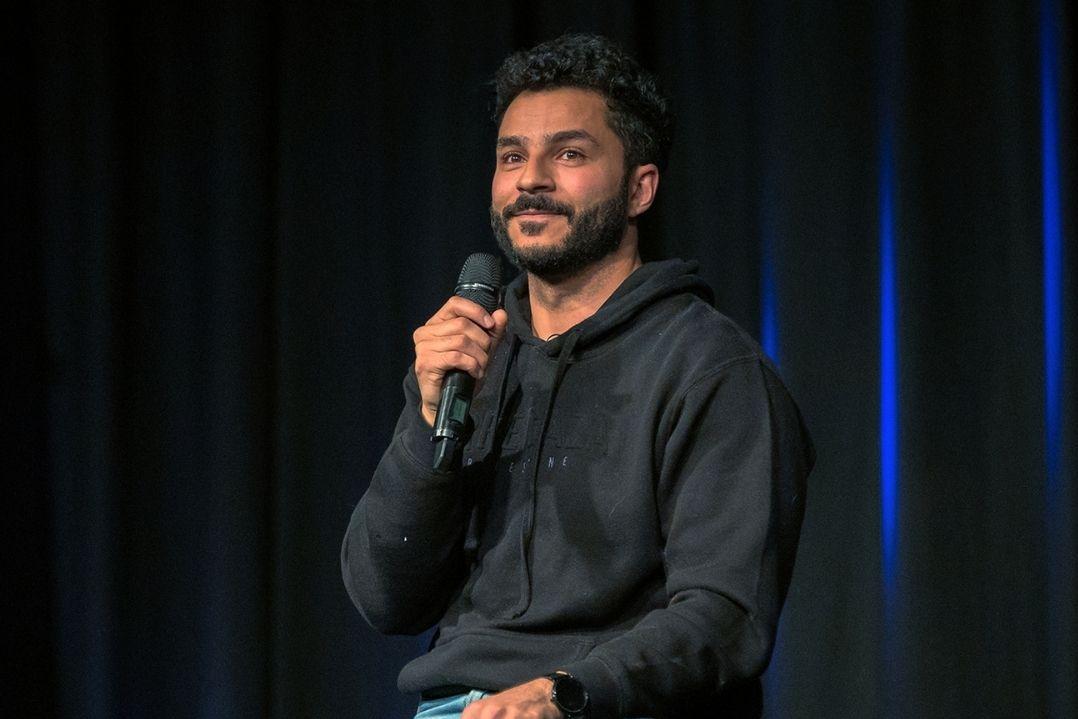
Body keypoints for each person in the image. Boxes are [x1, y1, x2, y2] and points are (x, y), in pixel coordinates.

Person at [342, 33, 814, 719]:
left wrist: (565, 691)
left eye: (568, 153)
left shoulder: (710, 367)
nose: (531, 179)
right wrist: (426, 428)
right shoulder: (470, 355)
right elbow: (384, 597)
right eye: (512, 157)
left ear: (639, 188)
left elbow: (726, 615)